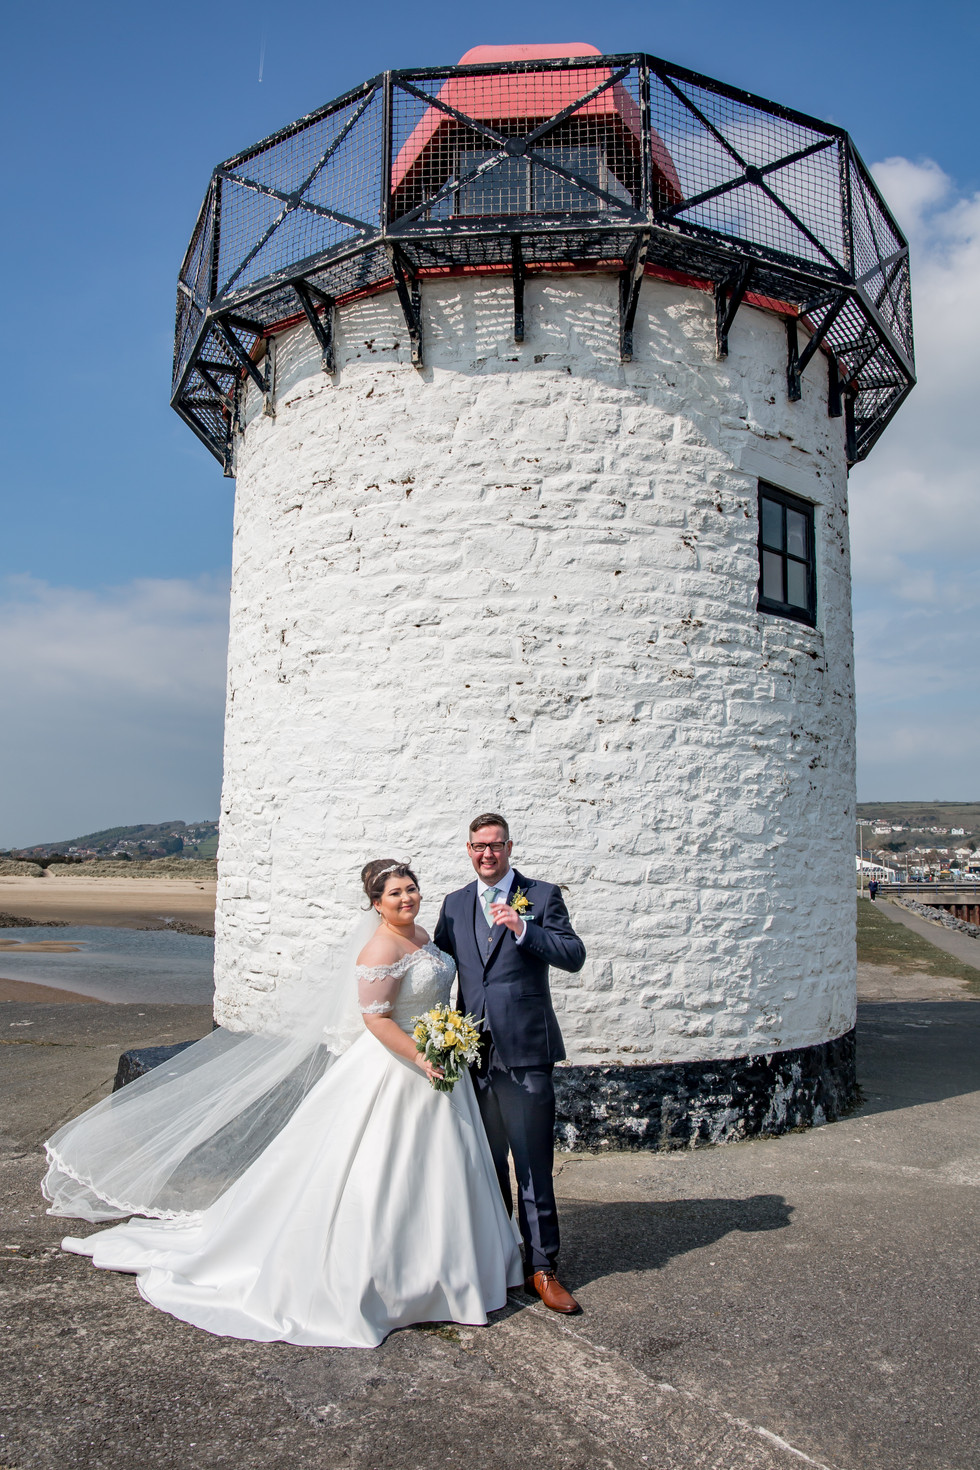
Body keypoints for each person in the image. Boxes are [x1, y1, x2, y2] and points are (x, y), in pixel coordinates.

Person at [42, 861, 523, 1348]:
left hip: (443, 1066)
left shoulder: (422, 934)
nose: (407, 898)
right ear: (375, 903)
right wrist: (423, 1055)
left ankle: (453, 1267)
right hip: (403, 1067)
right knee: (384, 1170)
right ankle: (392, 1278)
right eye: (395, 893)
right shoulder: (380, 945)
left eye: (411, 889)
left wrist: (447, 1044)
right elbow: (376, 1020)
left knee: (448, 1167)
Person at [434, 813, 586, 1314]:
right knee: (487, 1163)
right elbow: (438, 969)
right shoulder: (454, 905)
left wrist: (525, 929)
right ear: (469, 849)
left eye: (495, 846)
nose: (487, 855)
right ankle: (503, 1258)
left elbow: (573, 954)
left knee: (533, 1165)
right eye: (478, 846)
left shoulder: (541, 897)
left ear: (509, 847)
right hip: (473, 1056)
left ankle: (543, 1269)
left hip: (525, 1054)